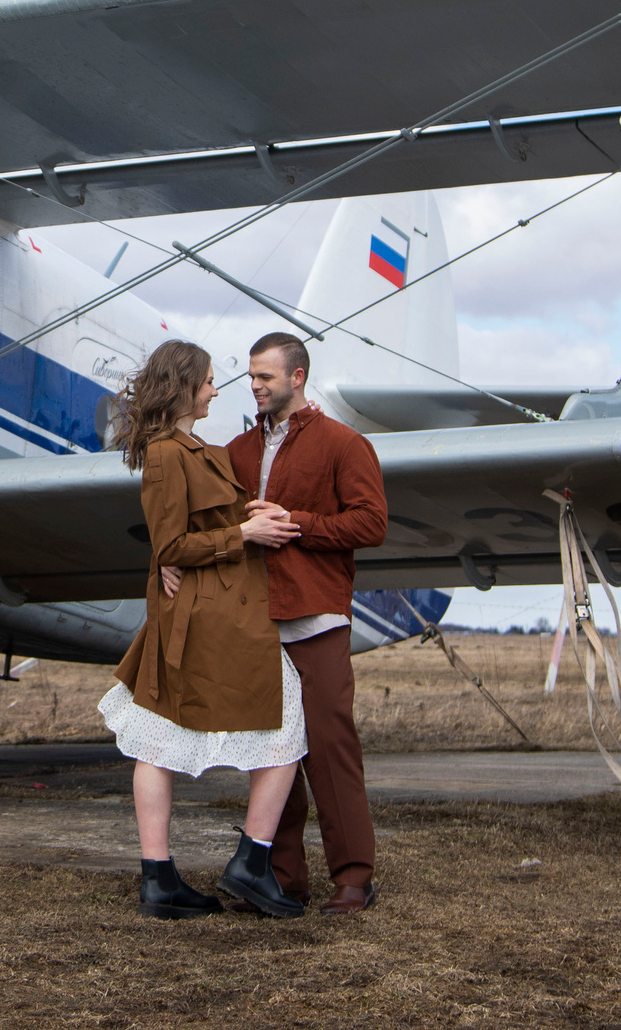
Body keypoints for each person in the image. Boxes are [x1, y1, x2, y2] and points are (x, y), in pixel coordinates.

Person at [97, 339, 309, 919]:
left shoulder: (194, 448)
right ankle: (242, 862)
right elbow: (169, 544)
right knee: (273, 725)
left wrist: (253, 515)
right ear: (186, 386)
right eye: (211, 381)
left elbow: (198, 525)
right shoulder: (167, 453)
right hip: (208, 612)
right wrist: (244, 536)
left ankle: (165, 878)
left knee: (162, 737)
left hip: (212, 607)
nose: (219, 390)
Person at [226, 331, 387, 912]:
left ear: (297, 377)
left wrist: (296, 523)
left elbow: (371, 524)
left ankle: (353, 878)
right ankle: (282, 879)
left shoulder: (345, 444)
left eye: (265, 376)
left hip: (317, 620)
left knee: (329, 748)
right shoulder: (238, 451)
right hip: (256, 623)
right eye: (251, 376)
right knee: (272, 754)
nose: (255, 385)